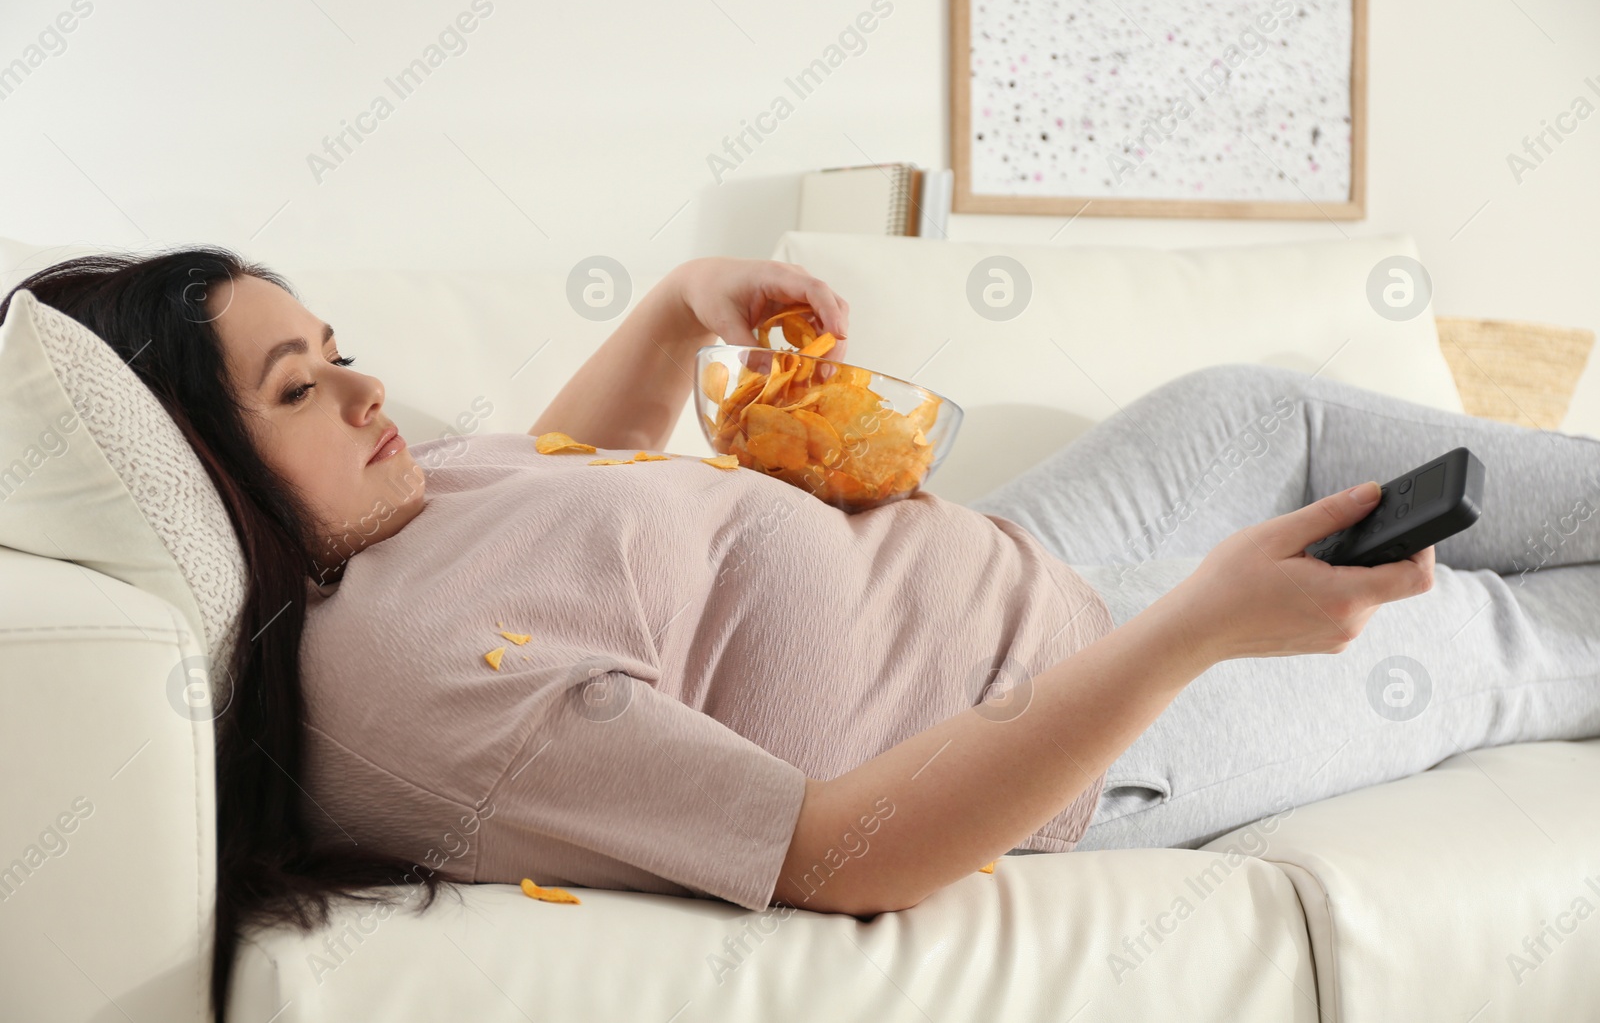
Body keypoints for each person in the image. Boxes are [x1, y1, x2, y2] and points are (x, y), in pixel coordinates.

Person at [7, 247, 1597, 1022]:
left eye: (336, 348)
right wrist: (1195, 634)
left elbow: (567, 497)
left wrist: (673, 317)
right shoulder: (405, 694)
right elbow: (844, 854)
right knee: (1517, 635)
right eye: (298, 389)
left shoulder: (395, 514)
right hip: (1081, 707)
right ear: (208, 475)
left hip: (1022, 544)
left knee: (1259, 410)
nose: (365, 387)